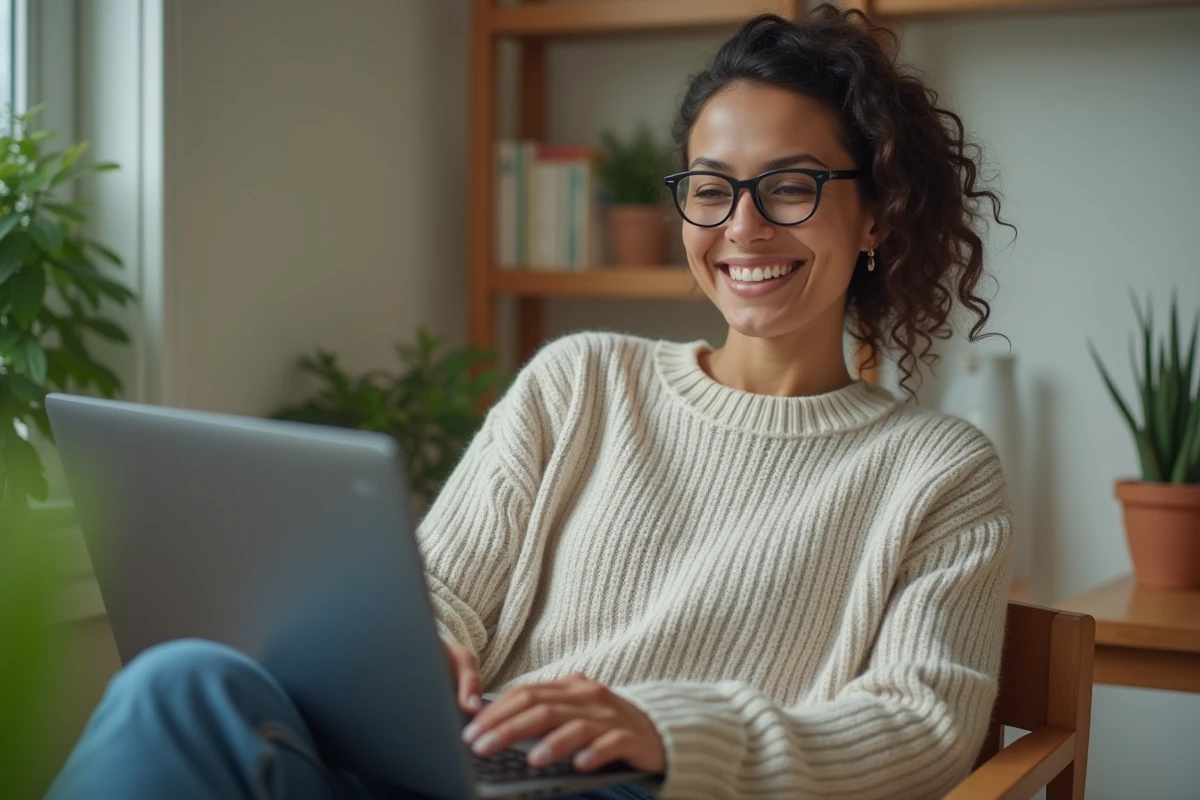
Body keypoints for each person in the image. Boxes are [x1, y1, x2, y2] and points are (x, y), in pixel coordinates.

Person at [47, 6, 1014, 799]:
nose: (743, 227)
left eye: (790, 187)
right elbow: (442, 590)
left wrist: (667, 732)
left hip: (645, 789)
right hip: (464, 770)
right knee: (180, 684)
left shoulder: (940, 471)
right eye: (710, 190)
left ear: (877, 211)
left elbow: (923, 727)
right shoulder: (580, 380)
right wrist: (419, 655)